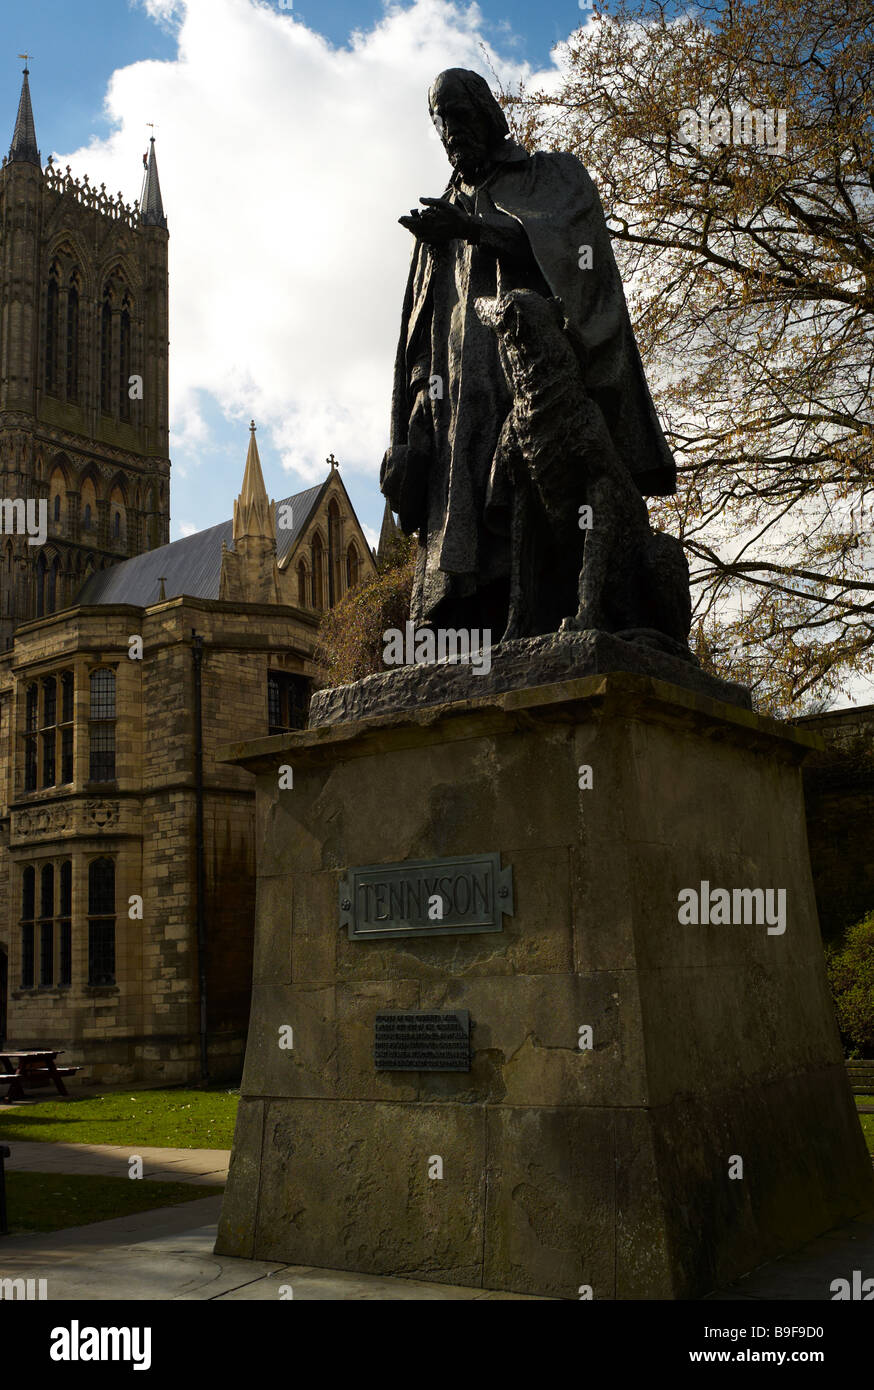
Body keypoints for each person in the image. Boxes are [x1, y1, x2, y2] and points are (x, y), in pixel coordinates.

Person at [381, 66, 676, 637]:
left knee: (539, 498)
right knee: (465, 520)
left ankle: (553, 609)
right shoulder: (442, 212)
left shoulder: (549, 177)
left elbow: (572, 255)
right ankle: (480, 623)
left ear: (489, 115)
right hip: (454, 400)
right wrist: (418, 402)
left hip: (531, 385)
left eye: (459, 115)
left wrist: (472, 228)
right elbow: (419, 333)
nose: (450, 131)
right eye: (439, 121)